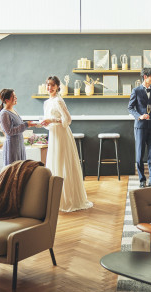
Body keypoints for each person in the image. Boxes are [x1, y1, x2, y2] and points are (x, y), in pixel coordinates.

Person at [41, 76, 93, 212]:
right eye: (48, 85)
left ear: (57, 87)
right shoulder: (46, 103)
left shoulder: (59, 100)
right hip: (53, 136)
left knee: (63, 164)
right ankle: (56, 199)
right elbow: (49, 123)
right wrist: (46, 122)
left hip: (62, 135)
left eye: (52, 85)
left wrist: (51, 120)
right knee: (54, 164)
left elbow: (68, 120)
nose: (50, 88)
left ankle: (68, 199)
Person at [0, 89, 36, 166]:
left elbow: (19, 126)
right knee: (13, 171)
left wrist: (28, 124)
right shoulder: (4, 114)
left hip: (19, 144)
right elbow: (9, 131)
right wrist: (26, 125)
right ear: (7, 100)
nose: (16, 98)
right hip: (12, 147)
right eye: (13, 96)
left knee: (21, 170)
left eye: (15, 96)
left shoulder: (14, 110)